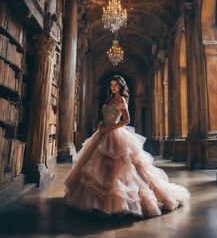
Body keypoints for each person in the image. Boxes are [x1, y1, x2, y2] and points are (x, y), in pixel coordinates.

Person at [64, 75, 190, 217]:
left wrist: (108, 128)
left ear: (121, 86)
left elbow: (126, 120)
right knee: (95, 167)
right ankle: (98, 202)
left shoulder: (121, 99)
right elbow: (107, 117)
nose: (113, 87)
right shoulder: (110, 99)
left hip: (115, 135)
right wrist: (102, 124)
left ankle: (119, 202)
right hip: (103, 133)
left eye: (116, 85)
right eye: (111, 85)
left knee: (122, 168)